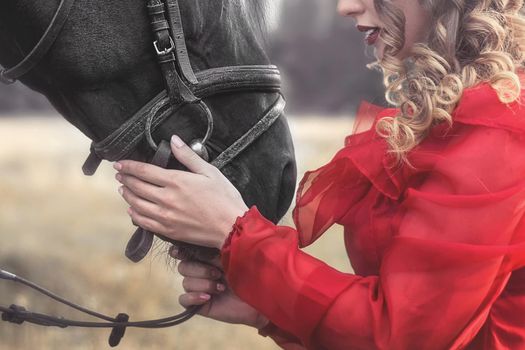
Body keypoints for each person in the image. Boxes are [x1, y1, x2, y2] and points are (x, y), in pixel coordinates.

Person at [112, 0, 525, 348]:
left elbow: (398, 336)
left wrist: (233, 232)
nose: (346, 6)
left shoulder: (499, 132)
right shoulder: (468, 117)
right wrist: (267, 308)